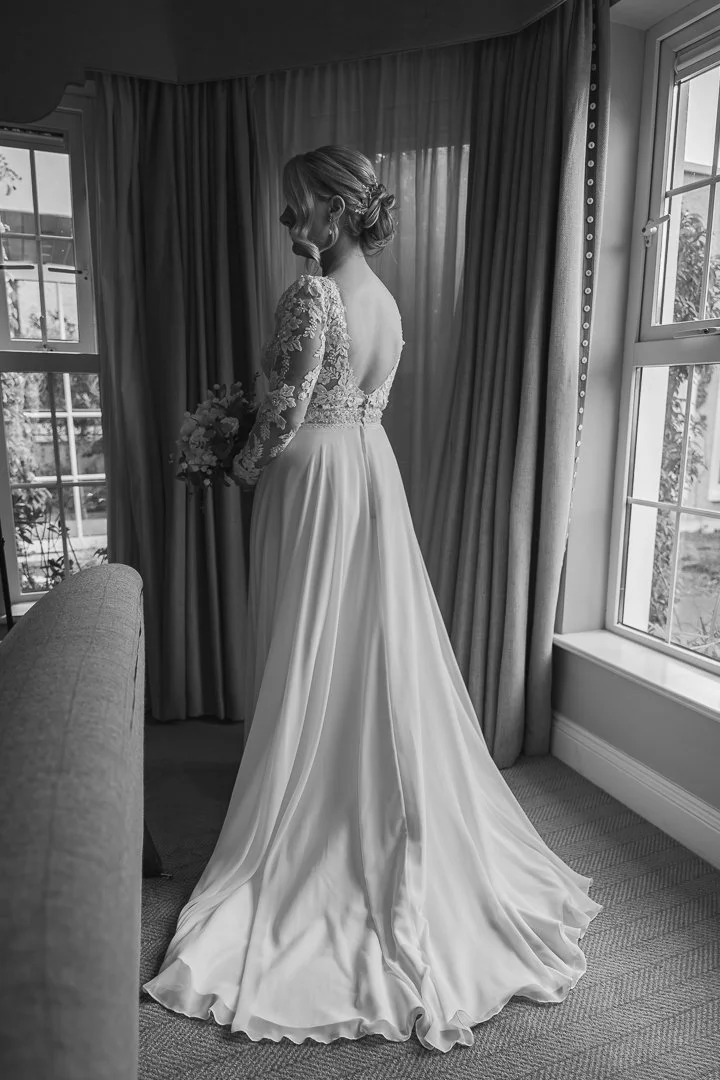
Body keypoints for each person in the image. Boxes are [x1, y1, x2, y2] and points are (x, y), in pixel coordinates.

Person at [142, 144, 603, 1053]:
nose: (287, 221)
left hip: (310, 479)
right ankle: (357, 781)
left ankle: (312, 802)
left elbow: (281, 413)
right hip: (369, 475)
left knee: (310, 638)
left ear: (338, 211)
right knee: (365, 640)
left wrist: (227, 459)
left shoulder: (313, 295)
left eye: (296, 206)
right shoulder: (388, 305)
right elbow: (351, 395)